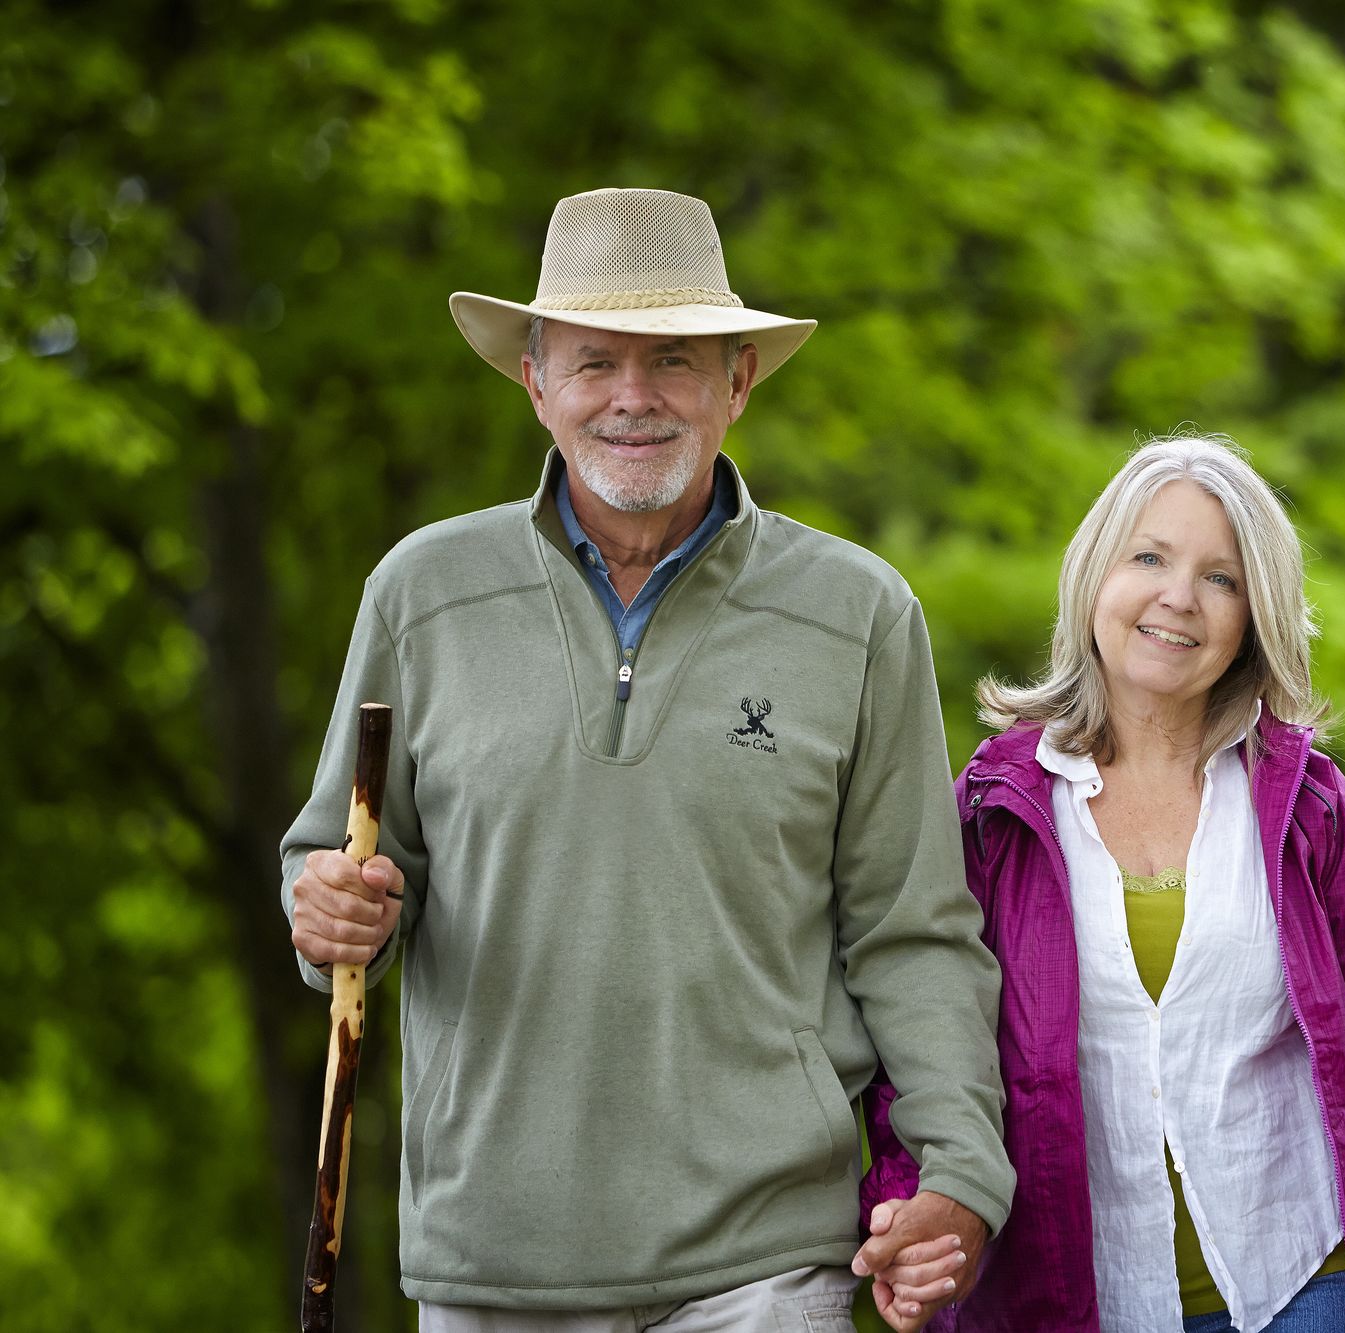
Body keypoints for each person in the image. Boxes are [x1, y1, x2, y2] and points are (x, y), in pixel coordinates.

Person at [282, 188, 1012, 1332]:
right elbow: (341, 860)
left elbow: (910, 930)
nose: (632, 397)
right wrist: (326, 910)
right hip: (493, 1260)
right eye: (593, 361)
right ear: (536, 382)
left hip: (768, 1262)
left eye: (673, 359)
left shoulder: (858, 613)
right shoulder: (421, 593)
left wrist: (962, 1170)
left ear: (737, 381)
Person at [859, 436, 1345, 1332]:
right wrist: (910, 1203)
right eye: (1150, 557)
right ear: (1096, 574)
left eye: (1222, 578)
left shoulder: (1311, 810)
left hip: (1305, 1285)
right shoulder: (991, 814)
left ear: (1254, 617)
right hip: (1076, 1300)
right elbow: (920, 1038)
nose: (1179, 596)